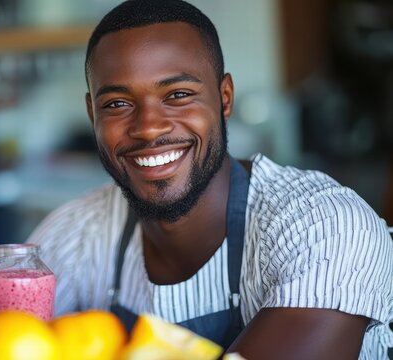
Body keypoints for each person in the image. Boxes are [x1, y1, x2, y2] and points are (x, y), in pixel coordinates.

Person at [26, 0, 393, 358]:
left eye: (179, 95)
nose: (149, 127)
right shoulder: (72, 238)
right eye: (117, 104)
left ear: (224, 97)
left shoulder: (324, 227)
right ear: (93, 115)